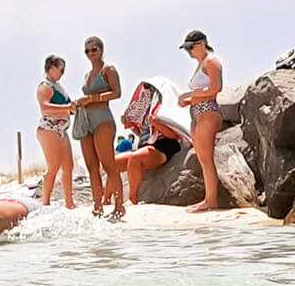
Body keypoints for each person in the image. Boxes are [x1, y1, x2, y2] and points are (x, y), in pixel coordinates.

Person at [72, 36, 125, 218]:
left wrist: (92, 99)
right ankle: (97, 206)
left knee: (108, 164)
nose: (90, 53)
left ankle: (119, 205)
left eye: (93, 49)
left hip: (103, 119)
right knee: (91, 166)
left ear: (101, 50)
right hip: (86, 121)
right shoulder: (87, 75)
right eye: (87, 51)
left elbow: (117, 93)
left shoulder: (107, 69)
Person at [118, 81, 191, 203]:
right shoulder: (146, 111)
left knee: (135, 159)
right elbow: (145, 133)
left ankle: (133, 198)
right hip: (148, 144)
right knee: (113, 163)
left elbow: (175, 136)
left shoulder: (166, 110)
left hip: (165, 145)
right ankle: (107, 200)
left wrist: (156, 123)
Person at [178, 30, 226, 212]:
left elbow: (216, 87)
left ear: (202, 43)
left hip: (208, 112)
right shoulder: (201, 64)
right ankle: (208, 199)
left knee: (206, 159)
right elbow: (204, 90)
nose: (189, 52)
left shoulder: (211, 61)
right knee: (202, 158)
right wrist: (189, 100)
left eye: (190, 47)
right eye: (186, 49)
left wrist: (191, 95)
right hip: (197, 113)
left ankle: (211, 201)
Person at [34, 55, 78, 209]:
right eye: (61, 69)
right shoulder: (44, 87)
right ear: (51, 68)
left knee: (68, 166)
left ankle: (69, 202)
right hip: (49, 129)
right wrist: (68, 108)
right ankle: (45, 202)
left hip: (61, 130)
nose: (63, 73)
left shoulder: (58, 87)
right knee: (53, 166)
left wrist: (72, 109)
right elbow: (45, 107)